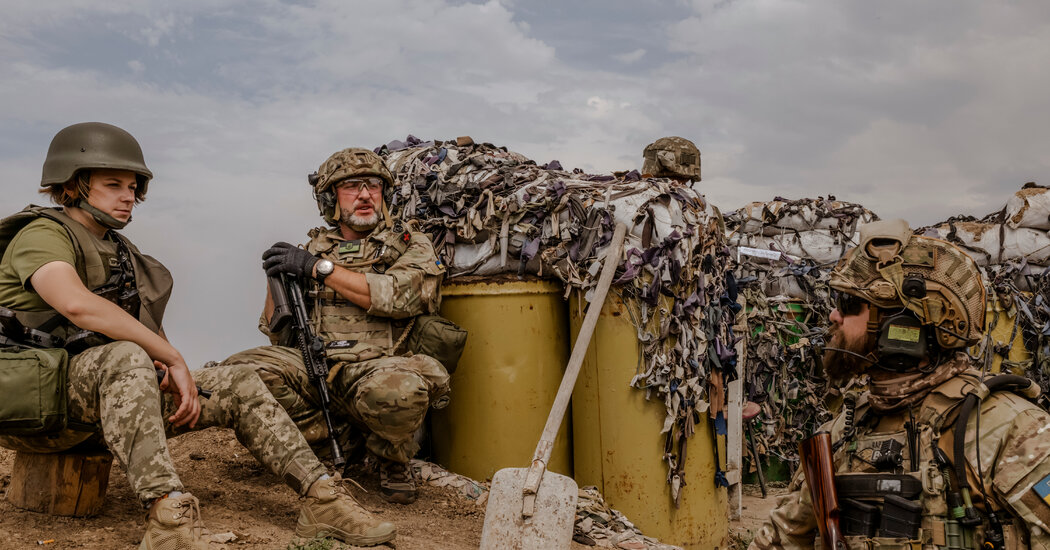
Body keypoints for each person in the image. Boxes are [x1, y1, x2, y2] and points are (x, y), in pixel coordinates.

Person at [0, 123, 396, 549]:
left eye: (133, 186)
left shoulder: (123, 253)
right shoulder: (42, 234)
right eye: (113, 184)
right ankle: (168, 522)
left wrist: (175, 372)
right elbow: (76, 304)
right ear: (74, 185)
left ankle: (321, 498)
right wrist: (168, 356)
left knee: (239, 381)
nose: (128, 196)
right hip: (36, 407)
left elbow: (145, 327)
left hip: (101, 405)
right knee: (127, 356)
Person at [749, 219, 1050, 549]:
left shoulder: (1011, 429)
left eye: (849, 306)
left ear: (902, 322)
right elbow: (783, 537)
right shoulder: (847, 429)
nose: (834, 316)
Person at [219, 147, 450, 505]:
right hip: (321, 368)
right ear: (330, 198)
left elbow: (397, 296)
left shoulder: (409, 244)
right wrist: (276, 281)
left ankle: (390, 455)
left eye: (373, 185)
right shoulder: (313, 249)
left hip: (380, 367)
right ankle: (333, 442)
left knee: (400, 390)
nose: (364, 194)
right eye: (351, 186)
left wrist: (318, 269)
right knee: (243, 371)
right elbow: (279, 336)